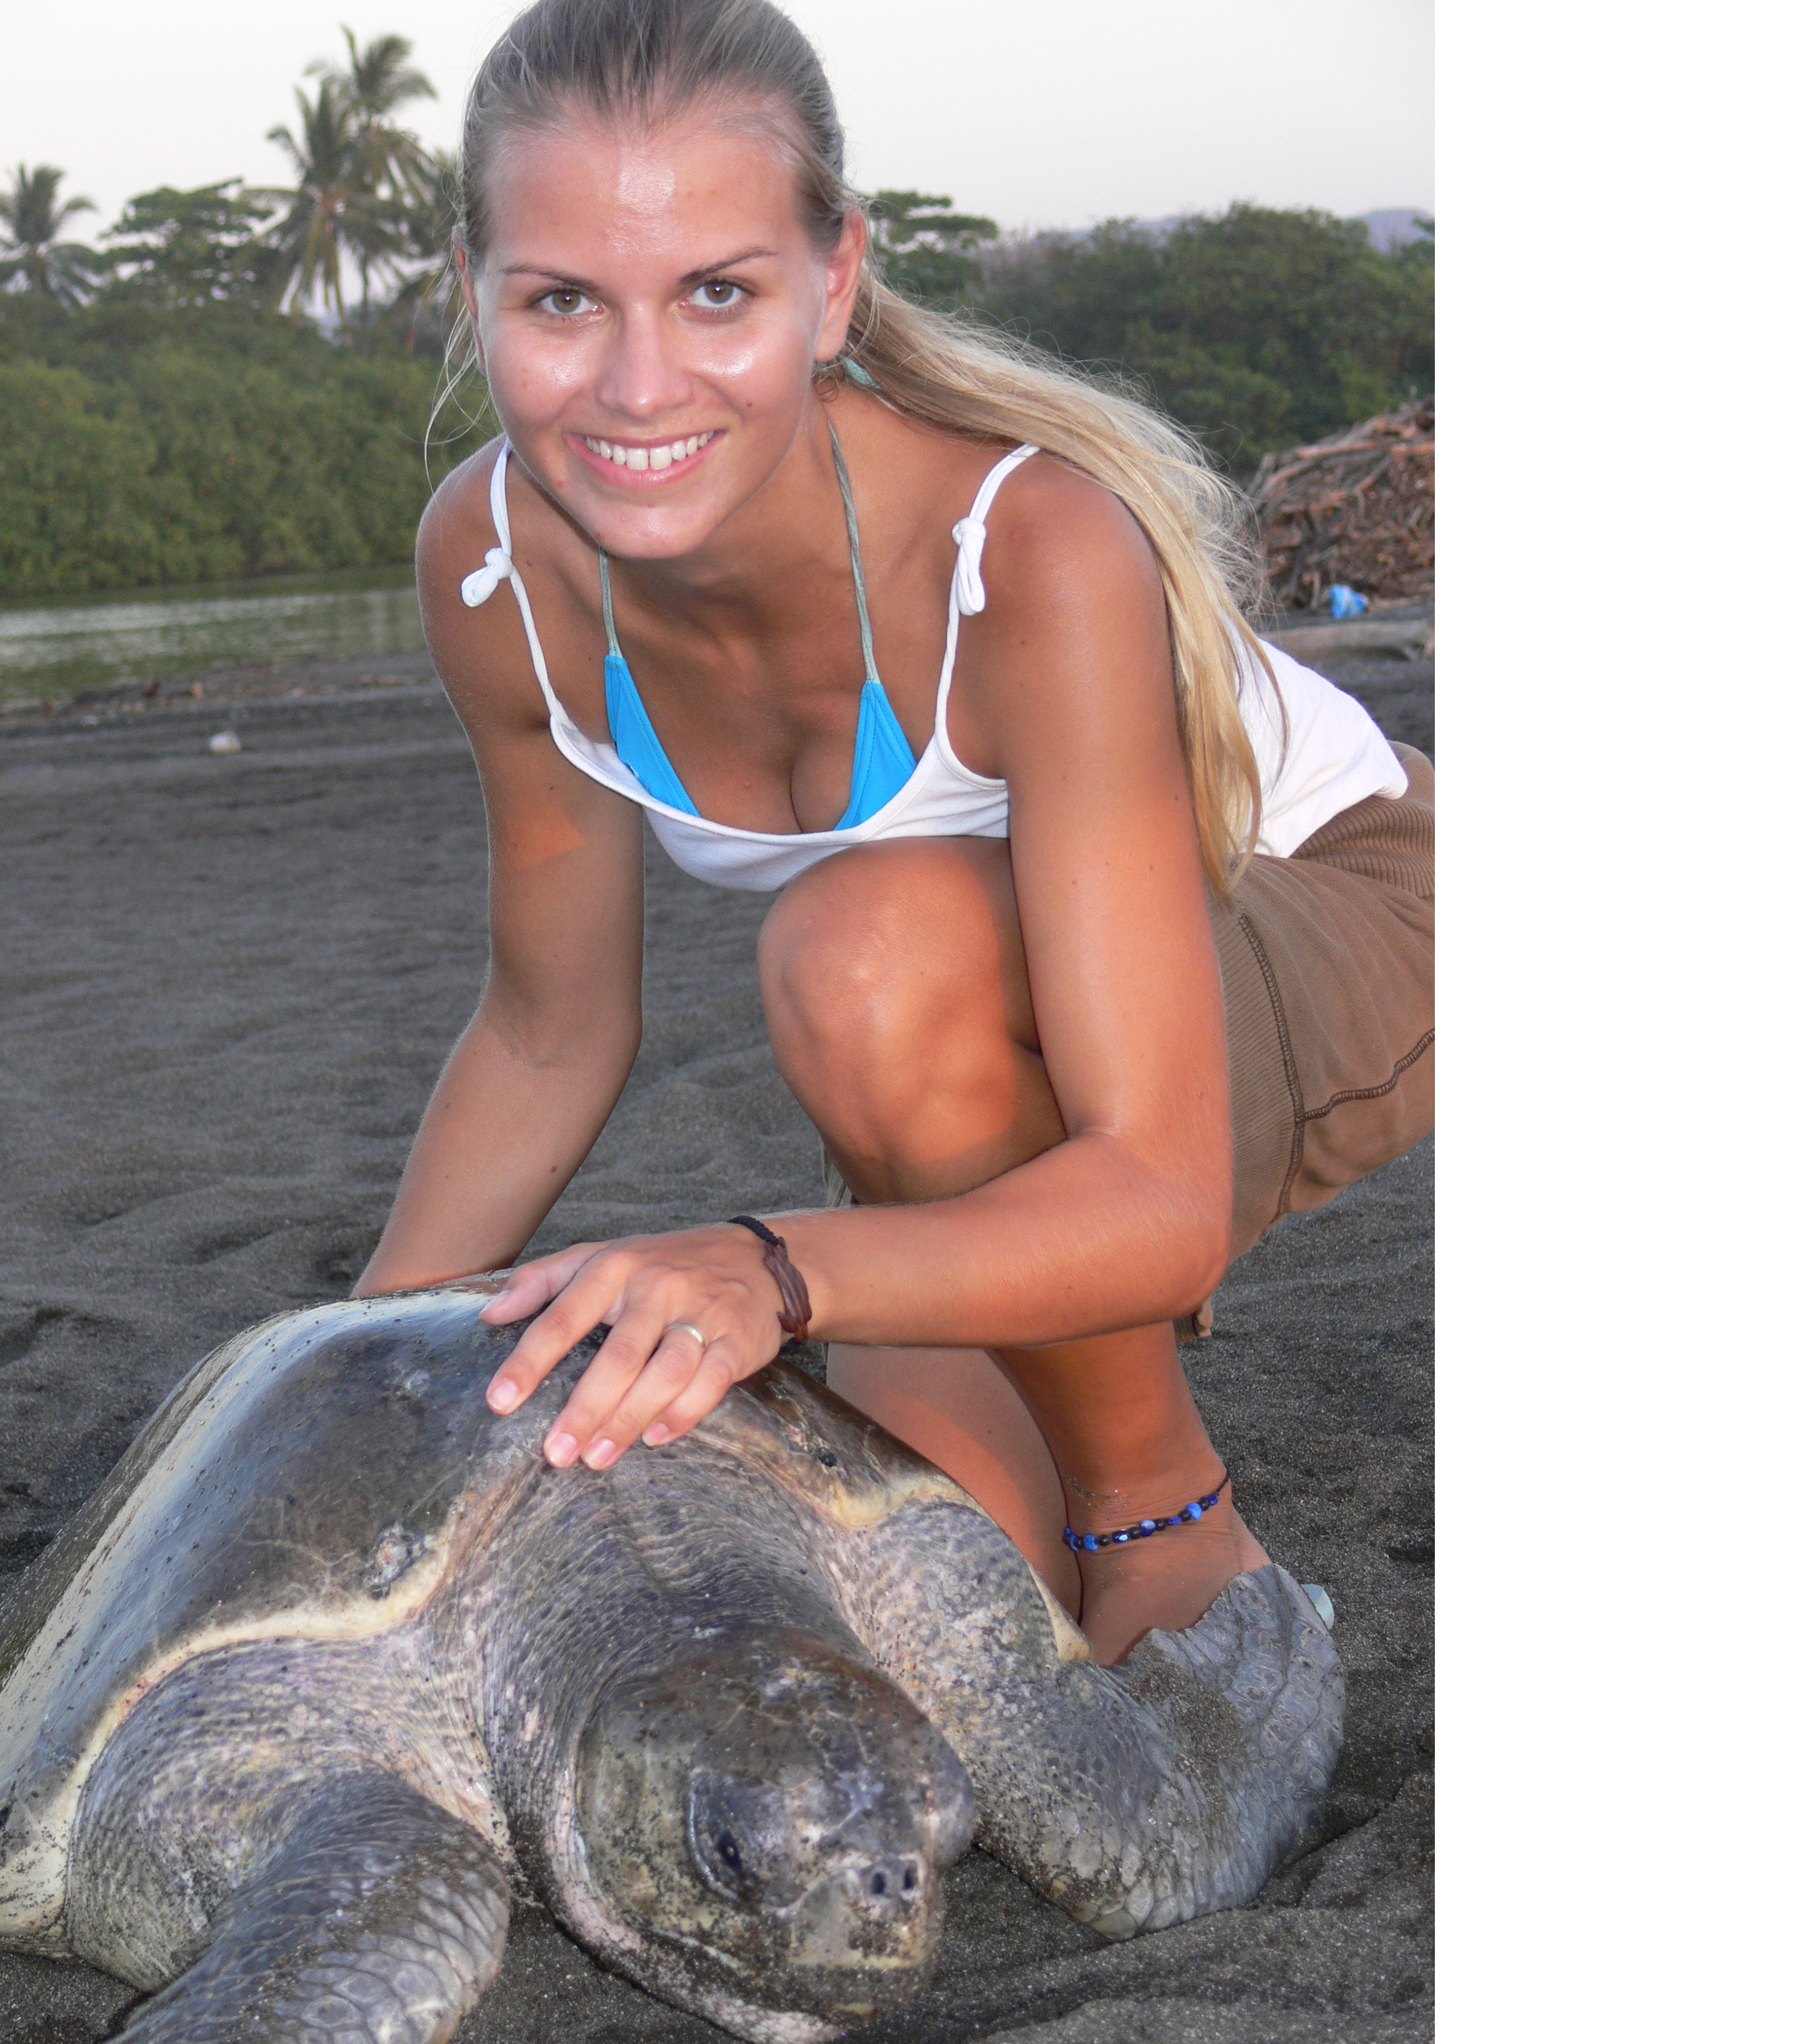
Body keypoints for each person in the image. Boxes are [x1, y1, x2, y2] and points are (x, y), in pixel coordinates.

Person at [354, 0, 1432, 1665]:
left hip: (1346, 904)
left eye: (720, 292)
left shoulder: (1033, 545)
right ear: (474, 295)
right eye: (564, 301)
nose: (640, 386)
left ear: (835, 281)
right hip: (962, 1052)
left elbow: (1156, 1188)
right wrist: (340, 1390)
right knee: (936, 1633)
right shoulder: (496, 559)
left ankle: (1167, 1515)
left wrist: (767, 1269)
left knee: (861, 947)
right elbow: (549, 1029)